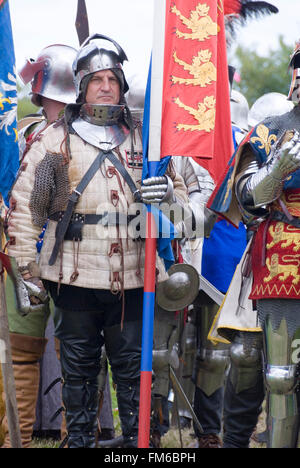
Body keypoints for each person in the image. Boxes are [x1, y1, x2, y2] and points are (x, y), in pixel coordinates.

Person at [6, 34, 188, 448]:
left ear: (122, 84)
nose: (106, 86)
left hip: (133, 276)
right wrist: (26, 272)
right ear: (82, 84)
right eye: (97, 79)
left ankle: (140, 444)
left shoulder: (147, 140)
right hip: (72, 276)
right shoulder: (57, 140)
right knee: (79, 370)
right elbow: (27, 211)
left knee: (133, 369)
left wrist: (167, 198)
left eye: (112, 78)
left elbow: (182, 214)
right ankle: (81, 441)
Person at [208, 41, 300, 448]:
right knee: (279, 377)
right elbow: (244, 197)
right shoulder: (271, 128)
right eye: (299, 68)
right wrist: (277, 169)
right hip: (283, 258)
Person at [2, 44, 79, 449]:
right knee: (21, 349)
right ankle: (20, 440)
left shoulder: (91, 137)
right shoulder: (27, 134)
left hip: (76, 257)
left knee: (78, 353)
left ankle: (74, 438)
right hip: (28, 255)